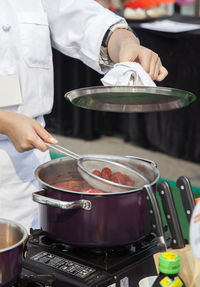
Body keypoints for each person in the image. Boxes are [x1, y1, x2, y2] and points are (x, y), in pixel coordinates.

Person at [0, 0, 168, 232]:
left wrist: (124, 43)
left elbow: (81, 18)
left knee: (31, 258)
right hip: (15, 141)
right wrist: (4, 121)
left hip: (28, 170)